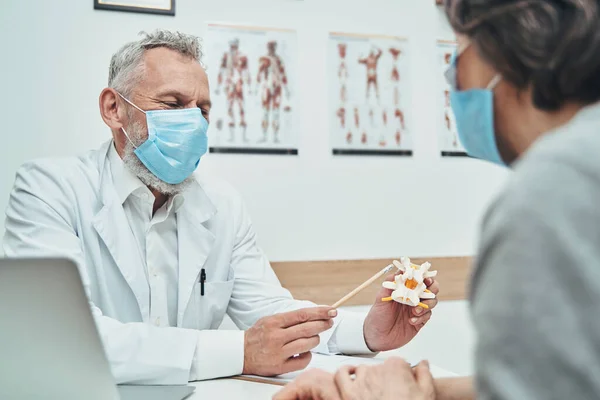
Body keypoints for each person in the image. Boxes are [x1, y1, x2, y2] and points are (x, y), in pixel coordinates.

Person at [2, 30, 439, 385]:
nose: (192, 122)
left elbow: (269, 308)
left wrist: (366, 332)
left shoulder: (222, 205)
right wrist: (242, 351)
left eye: (203, 109)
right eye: (172, 104)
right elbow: (66, 339)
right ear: (114, 108)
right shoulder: (51, 188)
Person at [274, 0, 600, 398]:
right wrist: (432, 390)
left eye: (456, 55)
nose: (454, 79)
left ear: (500, 55)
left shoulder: (552, 191)